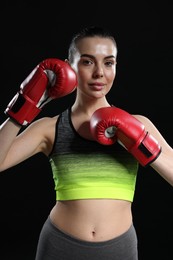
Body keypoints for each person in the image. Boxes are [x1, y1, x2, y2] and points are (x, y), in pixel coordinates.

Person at [0, 25, 173, 260]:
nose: (99, 73)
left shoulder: (139, 124)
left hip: (119, 248)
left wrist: (141, 142)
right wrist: (26, 104)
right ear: (69, 67)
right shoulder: (50, 127)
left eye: (108, 63)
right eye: (88, 62)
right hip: (59, 245)